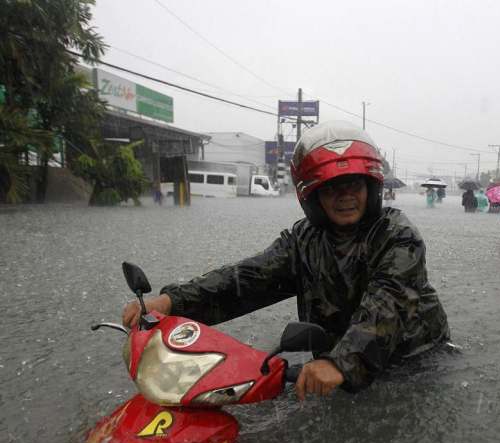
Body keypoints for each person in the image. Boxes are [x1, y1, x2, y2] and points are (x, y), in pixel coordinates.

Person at [122, 121, 450, 399]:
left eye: (353, 184)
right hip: (335, 365)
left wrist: (341, 362)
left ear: (371, 186)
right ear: (312, 196)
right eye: (331, 187)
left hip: (413, 366)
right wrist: (171, 302)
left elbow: (387, 304)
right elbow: (244, 279)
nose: (345, 195)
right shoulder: (302, 241)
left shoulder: (397, 235)